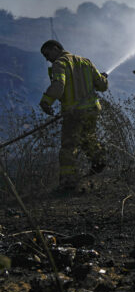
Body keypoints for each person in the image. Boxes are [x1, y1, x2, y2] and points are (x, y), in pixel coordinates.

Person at [39, 39, 109, 192]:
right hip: (92, 110)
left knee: (68, 147)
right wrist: (103, 78)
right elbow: (102, 86)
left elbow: (59, 85)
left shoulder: (59, 64)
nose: (47, 58)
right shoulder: (86, 62)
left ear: (56, 48)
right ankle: (99, 159)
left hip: (74, 113)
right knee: (87, 138)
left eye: (47, 53)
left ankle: (68, 183)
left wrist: (46, 102)